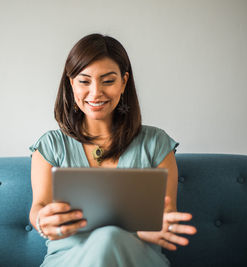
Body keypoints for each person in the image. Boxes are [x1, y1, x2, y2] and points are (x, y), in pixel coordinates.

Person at [29, 33, 197, 267]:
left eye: (108, 81)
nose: (96, 92)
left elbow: (165, 215)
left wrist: (157, 227)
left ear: (123, 82)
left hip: (137, 257)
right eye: (84, 81)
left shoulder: (156, 143)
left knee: (109, 238)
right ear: (71, 83)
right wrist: (41, 220)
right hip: (69, 259)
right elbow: (39, 206)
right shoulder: (50, 145)